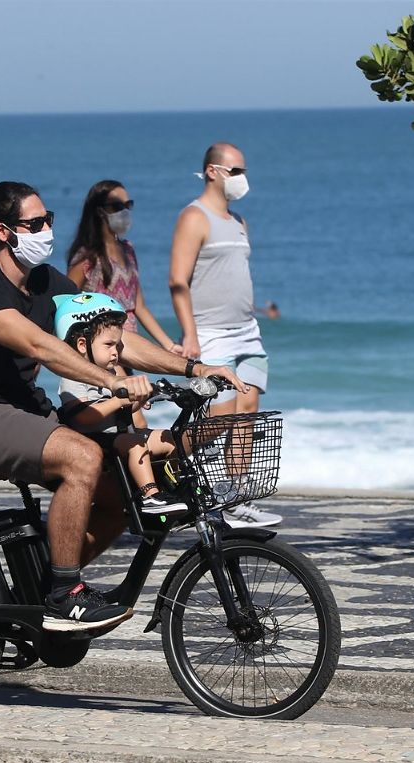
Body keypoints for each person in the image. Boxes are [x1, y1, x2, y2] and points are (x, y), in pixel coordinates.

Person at [0, 180, 247, 632]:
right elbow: (38, 345)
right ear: (3, 232)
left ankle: (44, 582)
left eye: (50, 220)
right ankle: (65, 593)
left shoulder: (47, 284)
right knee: (83, 456)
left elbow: (115, 336)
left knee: (124, 493)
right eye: (35, 223)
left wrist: (194, 370)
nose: (47, 230)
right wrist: (110, 383)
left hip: (31, 416)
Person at [168, 142, 283, 529]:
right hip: (211, 332)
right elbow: (178, 281)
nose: (242, 179)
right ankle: (169, 466)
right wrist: (190, 335)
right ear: (213, 171)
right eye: (236, 171)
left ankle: (235, 497)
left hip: (247, 332)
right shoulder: (194, 217)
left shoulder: (239, 221)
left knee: (247, 410)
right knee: (218, 418)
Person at [53, 292, 185, 515]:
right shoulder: (73, 377)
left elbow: (124, 410)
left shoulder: (112, 373)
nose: (116, 352)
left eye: (118, 345)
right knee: (134, 443)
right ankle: (150, 496)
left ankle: (173, 487)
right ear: (83, 344)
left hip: (121, 434)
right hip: (95, 440)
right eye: (109, 345)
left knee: (169, 439)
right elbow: (83, 417)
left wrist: (137, 401)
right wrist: (119, 400)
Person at [67, 180, 180, 352]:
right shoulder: (87, 257)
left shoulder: (128, 250)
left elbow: (139, 307)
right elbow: (67, 306)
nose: (124, 211)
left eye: (128, 205)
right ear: (99, 211)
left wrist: (169, 346)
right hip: (102, 352)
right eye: (117, 206)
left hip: (129, 348)